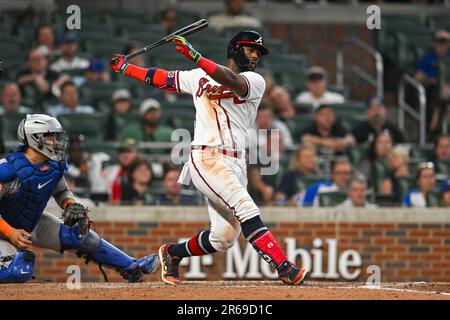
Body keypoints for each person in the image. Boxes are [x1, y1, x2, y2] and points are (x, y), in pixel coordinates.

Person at [111, 30, 308, 285]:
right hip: (206, 158)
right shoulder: (198, 76)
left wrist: (195, 56)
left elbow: (228, 80)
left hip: (236, 163)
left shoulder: (255, 81)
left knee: (223, 238)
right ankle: (284, 267)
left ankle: (171, 254)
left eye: (258, 51)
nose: (255, 55)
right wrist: (127, 68)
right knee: (247, 207)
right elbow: (162, 78)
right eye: (251, 49)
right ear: (236, 49)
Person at [0, 114, 157, 283]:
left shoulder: (54, 164)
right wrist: (10, 232)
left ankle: (130, 267)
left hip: (30, 223)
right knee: (18, 271)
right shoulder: (8, 170)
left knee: (79, 235)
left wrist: (70, 204)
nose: (56, 141)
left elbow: (62, 192)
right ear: (34, 138)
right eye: (50, 136)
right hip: (3, 231)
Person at [414, 29, 450, 136]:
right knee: (439, 88)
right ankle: (436, 115)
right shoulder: (427, 57)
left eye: (445, 42)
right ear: (434, 43)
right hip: (432, 89)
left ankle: (437, 114)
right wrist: (432, 80)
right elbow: (417, 76)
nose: (442, 45)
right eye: (440, 42)